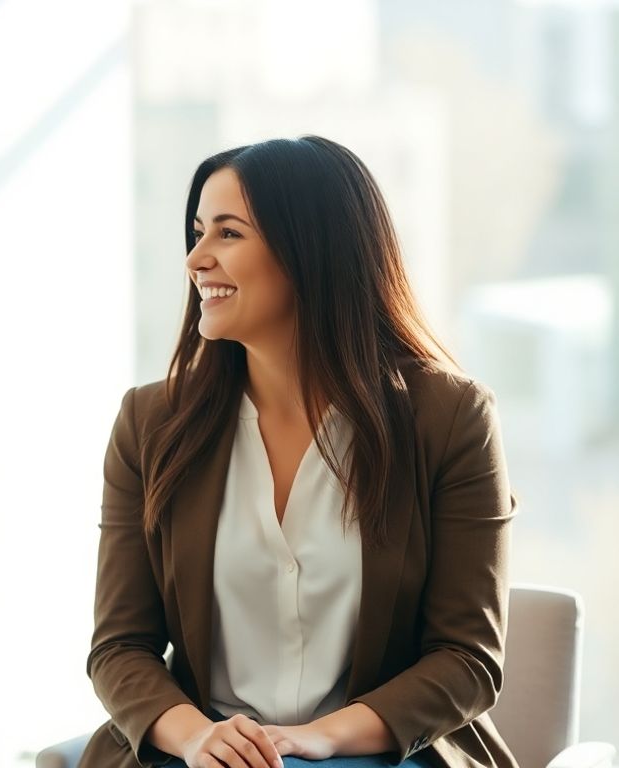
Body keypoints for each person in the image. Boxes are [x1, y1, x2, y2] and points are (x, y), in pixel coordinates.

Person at [82, 136, 516, 768]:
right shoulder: (151, 422)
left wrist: (323, 737)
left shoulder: (452, 420)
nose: (196, 258)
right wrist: (197, 736)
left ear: (312, 251)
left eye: (228, 234)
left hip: (379, 754)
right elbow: (120, 646)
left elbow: (467, 659)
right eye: (198, 232)